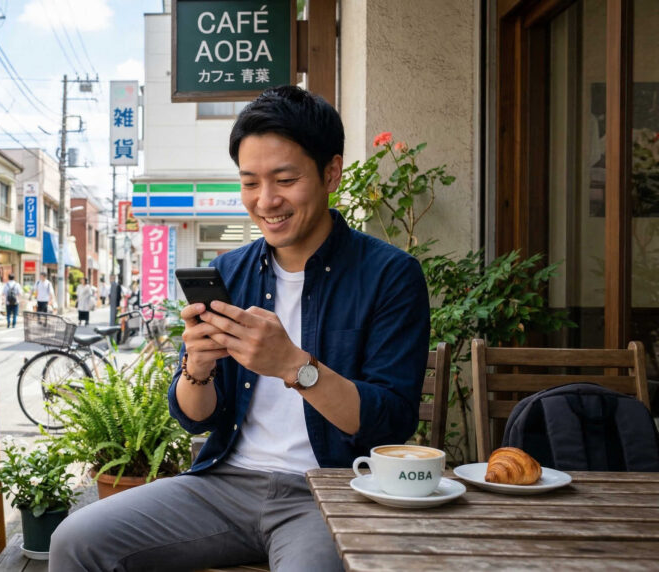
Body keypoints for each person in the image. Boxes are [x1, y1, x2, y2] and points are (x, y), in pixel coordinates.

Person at [49, 86, 430, 571]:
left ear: (330, 173)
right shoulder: (229, 271)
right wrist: (198, 367)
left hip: (329, 492)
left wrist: (294, 366)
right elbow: (195, 418)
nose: (266, 200)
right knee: (75, 541)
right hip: (222, 484)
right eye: (250, 182)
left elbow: (392, 422)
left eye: (285, 179)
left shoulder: (389, 275)